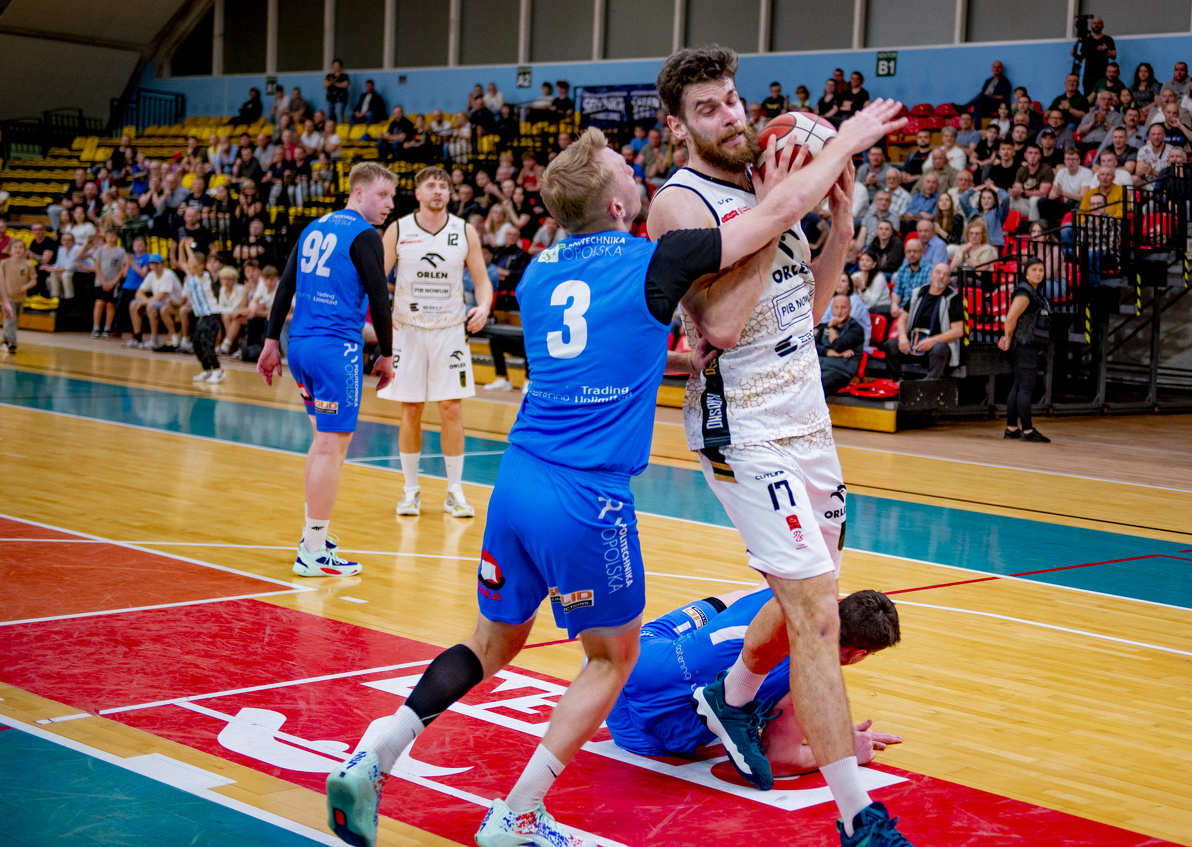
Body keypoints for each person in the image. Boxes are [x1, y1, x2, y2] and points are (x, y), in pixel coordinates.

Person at [325, 108, 897, 847]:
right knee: (612, 657)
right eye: (628, 172)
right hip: (585, 495)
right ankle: (519, 811)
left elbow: (606, 346)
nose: (638, 173)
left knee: (488, 644)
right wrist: (845, 144)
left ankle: (377, 751)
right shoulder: (655, 261)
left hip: (519, 478)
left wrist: (684, 359)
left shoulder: (538, 274)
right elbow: (776, 214)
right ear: (622, 206)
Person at [644, 45, 916, 844]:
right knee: (817, 617)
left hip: (806, 418)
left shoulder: (769, 186)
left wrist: (839, 223)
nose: (729, 116)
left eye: (731, 99)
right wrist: (781, 204)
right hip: (744, 423)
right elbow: (725, 326)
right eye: (707, 108)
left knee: (810, 596)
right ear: (677, 126)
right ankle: (859, 817)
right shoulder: (681, 203)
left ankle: (729, 698)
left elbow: (811, 305)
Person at [257, 163, 399, 578]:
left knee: (321, 442)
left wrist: (270, 342)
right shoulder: (365, 235)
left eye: (392, 196)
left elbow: (286, 286)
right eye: (382, 195)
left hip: (300, 345)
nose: (389, 204)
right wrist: (387, 353)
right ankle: (313, 552)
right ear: (358, 193)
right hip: (335, 349)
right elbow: (380, 299)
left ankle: (312, 537)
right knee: (332, 448)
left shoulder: (314, 227)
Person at [608, 587, 902, 770]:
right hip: (641, 733)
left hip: (623, 659)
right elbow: (778, 760)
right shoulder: (811, 678)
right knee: (749, 714)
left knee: (726, 609)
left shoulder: (781, 592)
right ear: (857, 655)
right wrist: (843, 749)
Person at [378, 167, 495, 517]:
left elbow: (482, 279)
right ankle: (410, 490)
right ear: (418, 193)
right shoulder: (399, 229)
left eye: (443, 186)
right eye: (431, 186)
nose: (438, 191)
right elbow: (376, 277)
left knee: (451, 408)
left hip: (449, 330)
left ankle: (454, 491)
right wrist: (380, 316)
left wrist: (484, 306)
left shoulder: (464, 230)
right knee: (411, 408)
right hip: (408, 330)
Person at [996, 257, 1052, 441]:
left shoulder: (1034, 292)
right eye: (1034, 269)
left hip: (1025, 343)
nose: (1038, 273)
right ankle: (1027, 430)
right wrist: (1007, 337)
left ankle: (1012, 428)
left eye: (1041, 270)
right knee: (1026, 387)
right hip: (1024, 343)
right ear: (1026, 273)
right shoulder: (1024, 293)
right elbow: (1011, 318)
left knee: (1019, 384)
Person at [885, 261, 963, 383]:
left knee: (940, 348)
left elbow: (958, 331)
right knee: (891, 344)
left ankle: (929, 383)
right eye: (938, 272)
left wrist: (933, 340)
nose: (941, 276)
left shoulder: (953, 298)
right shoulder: (918, 293)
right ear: (931, 275)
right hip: (913, 343)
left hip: (934, 346)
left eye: (946, 275)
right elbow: (902, 319)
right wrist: (903, 337)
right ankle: (898, 381)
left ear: (948, 280)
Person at [177, 242, 224, 382]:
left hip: (212, 314)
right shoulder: (190, 275)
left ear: (201, 266)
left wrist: (187, 248)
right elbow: (182, 262)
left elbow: (194, 265)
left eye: (192, 264)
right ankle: (207, 370)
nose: (189, 266)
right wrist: (181, 246)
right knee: (196, 344)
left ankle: (217, 370)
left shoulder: (203, 276)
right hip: (201, 316)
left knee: (207, 343)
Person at [130, 254, 182, 349]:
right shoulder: (151, 275)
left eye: (157, 263)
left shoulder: (168, 274)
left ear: (162, 264)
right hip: (161, 303)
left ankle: (154, 339)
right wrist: (144, 301)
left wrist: (144, 302)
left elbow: (160, 297)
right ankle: (137, 337)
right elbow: (139, 293)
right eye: (152, 264)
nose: (154, 266)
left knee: (151, 305)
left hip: (174, 305)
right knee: (133, 304)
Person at [817, 293, 865, 394]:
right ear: (832, 309)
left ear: (850, 309)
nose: (839, 312)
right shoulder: (823, 326)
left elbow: (838, 346)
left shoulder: (856, 329)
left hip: (840, 371)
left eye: (843, 307)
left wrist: (831, 327)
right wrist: (830, 353)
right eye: (836, 307)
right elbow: (812, 347)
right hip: (820, 368)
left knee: (817, 388)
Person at [0, 237, 34, 355]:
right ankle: (12, 342)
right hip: (8, 297)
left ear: (25, 250)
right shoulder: (4, 263)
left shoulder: (28, 264)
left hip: (21, 298)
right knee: (10, 320)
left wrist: (25, 286)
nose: (18, 250)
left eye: (21, 247)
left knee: (15, 320)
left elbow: (33, 280)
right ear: (10, 250)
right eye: (15, 247)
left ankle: (5, 339)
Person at [89, 228, 128, 338]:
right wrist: (103, 282)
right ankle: (96, 328)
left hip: (113, 283)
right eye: (108, 236)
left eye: (113, 236)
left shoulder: (120, 251)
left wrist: (113, 282)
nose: (110, 239)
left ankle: (107, 328)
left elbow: (122, 269)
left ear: (117, 238)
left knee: (110, 305)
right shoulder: (100, 250)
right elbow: (96, 267)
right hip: (100, 282)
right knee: (99, 303)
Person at [1075, 17, 1116, 95]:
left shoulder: (1108, 39)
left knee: (1103, 97)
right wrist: (1074, 54)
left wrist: (1106, 50)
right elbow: (1081, 58)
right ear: (1091, 26)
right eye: (1094, 23)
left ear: (1103, 25)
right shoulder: (1086, 40)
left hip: (1103, 75)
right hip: (1088, 76)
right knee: (1088, 98)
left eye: (1099, 23)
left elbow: (1114, 56)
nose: (1096, 25)